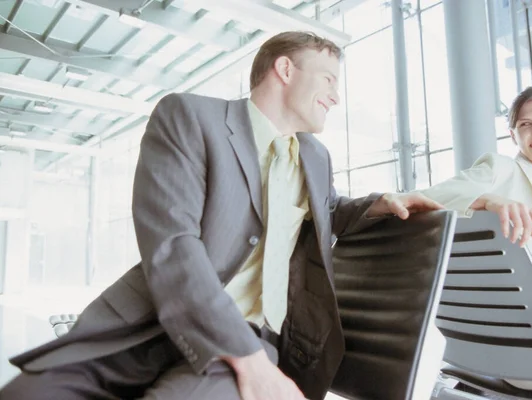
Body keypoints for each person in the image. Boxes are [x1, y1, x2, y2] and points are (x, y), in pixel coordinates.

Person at [0, 31, 443, 400]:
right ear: (285, 70)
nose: (336, 95)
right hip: (148, 325)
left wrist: (378, 204)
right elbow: (173, 246)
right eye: (328, 79)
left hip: (249, 337)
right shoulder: (191, 117)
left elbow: (326, 210)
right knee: (28, 394)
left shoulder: (315, 155)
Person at [419, 85, 532, 389]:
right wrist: (487, 200)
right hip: (530, 345)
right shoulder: (501, 169)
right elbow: (418, 203)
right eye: (525, 124)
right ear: (514, 135)